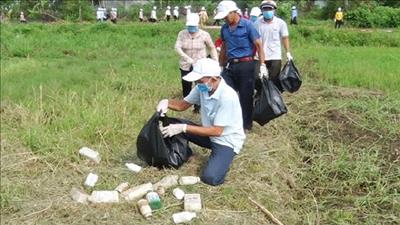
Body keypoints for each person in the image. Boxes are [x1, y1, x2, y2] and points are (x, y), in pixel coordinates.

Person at [156, 58, 246, 186]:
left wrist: (183, 128)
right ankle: (185, 155)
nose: (197, 84)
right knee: (171, 123)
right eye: (196, 81)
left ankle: (222, 159)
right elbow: (182, 105)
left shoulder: (227, 97)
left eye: (200, 81)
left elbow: (217, 131)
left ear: (213, 78)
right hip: (208, 133)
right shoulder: (203, 88)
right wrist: (166, 102)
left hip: (225, 140)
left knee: (210, 178)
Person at [214, 0, 266, 132]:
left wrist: (262, 65)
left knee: (245, 95)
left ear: (234, 12)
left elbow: (259, 45)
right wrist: (220, 66)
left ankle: (246, 125)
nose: (224, 19)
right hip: (230, 65)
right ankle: (227, 120)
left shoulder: (248, 25)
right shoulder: (225, 28)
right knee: (224, 92)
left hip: (246, 65)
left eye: (226, 16)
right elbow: (224, 47)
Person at [175, 13, 218, 113]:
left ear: (197, 25)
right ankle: (186, 103)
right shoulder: (182, 34)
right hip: (186, 64)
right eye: (189, 26)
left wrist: (216, 61)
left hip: (200, 65)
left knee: (201, 85)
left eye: (193, 26)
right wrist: (187, 58)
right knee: (186, 84)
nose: (191, 28)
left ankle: (198, 106)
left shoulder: (204, 35)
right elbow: (177, 47)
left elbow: (211, 48)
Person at [254, 0, 293, 93]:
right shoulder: (257, 23)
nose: (267, 11)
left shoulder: (280, 23)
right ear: (262, 10)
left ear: (274, 10)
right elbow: (254, 40)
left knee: (273, 79)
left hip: (275, 56)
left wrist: (288, 52)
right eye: (265, 9)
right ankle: (260, 97)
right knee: (257, 79)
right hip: (259, 56)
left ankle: (273, 99)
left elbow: (285, 37)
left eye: (269, 8)